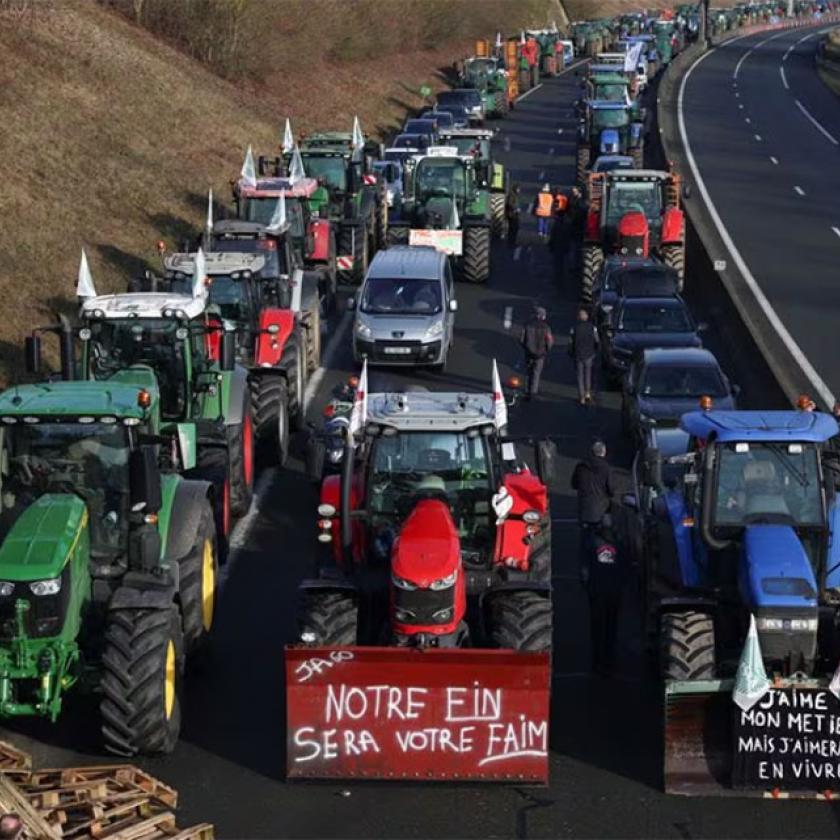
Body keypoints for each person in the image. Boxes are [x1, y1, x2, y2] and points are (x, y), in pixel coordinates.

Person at [583, 515, 625, 675]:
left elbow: (584, 568)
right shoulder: (619, 544)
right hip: (614, 591)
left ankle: (598, 660)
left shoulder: (592, 543)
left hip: (597, 590)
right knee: (611, 626)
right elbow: (627, 566)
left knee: (597, 626)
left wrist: (586, 586)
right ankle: (609, 658)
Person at [519, 305, 554, 399]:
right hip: (540, 354)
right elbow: (550, 341)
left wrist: (526, 348)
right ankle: (533, 391)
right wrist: (546, 350)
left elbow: (522, 339)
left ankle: (527, 390)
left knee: (528, 372)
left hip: (529, 353)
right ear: (543, 316)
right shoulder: (546, 327)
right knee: (536, 372)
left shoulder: (528, 325)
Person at [568, 308, 598, 405]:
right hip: (589, 354)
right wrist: (594, 351)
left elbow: (570, 342)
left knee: (579, 376)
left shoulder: (574, 328)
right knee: (588, 374)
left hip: (578, 354)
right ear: (587, 317)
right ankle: (588, 393)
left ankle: (581, 397)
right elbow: (597, 340)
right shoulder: (592, 327)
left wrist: (571, 353)